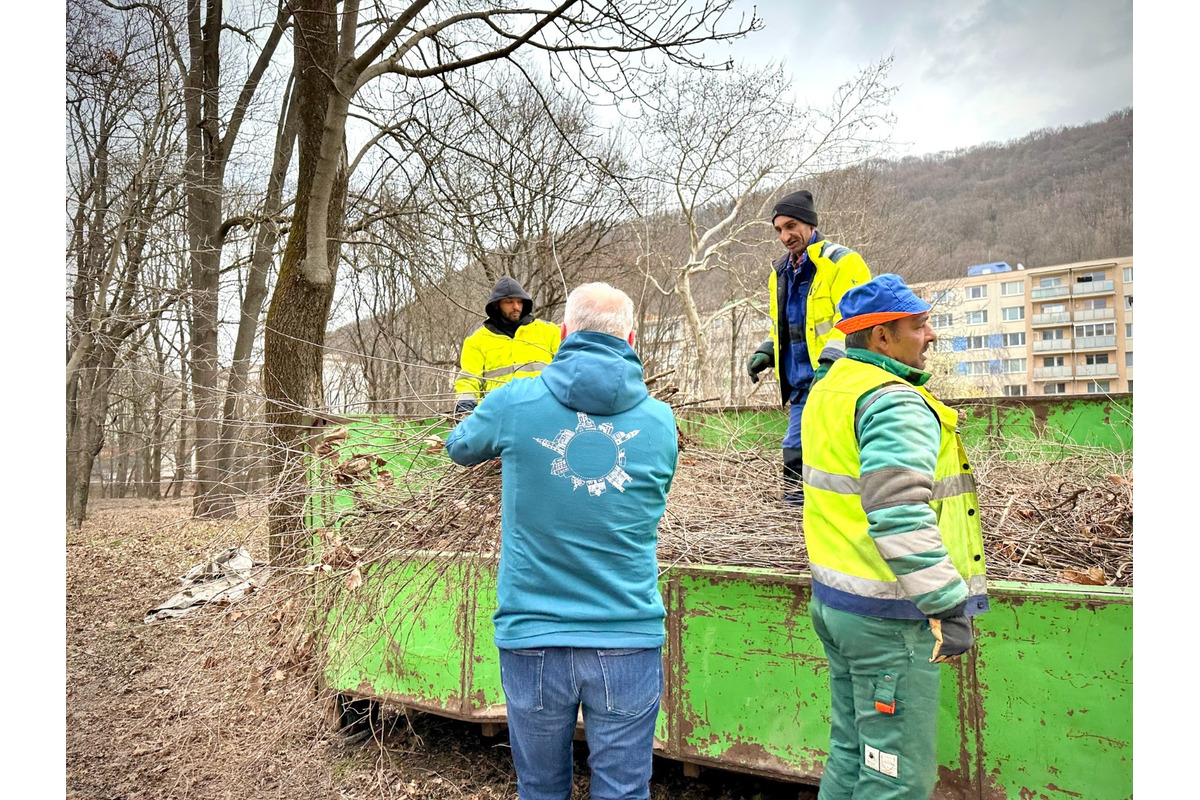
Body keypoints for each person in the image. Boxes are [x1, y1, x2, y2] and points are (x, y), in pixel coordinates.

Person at [445, 282, 678, 800]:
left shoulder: (513, 402)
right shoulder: (662, 424)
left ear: (565, 334)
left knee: (542, 789)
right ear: (632, 338)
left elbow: (459, 448)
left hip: (534, 637)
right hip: (628, 637)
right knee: (622, 791)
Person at [799, 273, 989, 800]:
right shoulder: (893, 401)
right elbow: (899, 514)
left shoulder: (831, 388)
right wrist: (948, 605)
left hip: (838, 603)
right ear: (882, 337)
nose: (929, 336)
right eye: (920, 325)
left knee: (854, 754)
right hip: (889, 617)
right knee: (896, 780)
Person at [746, 190, 871, 504]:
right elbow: (788, 327)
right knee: (795, 450)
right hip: (803, 384)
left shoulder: (842, 262)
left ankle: (839, 516)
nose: (785, 236)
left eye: (791, 226)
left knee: (838, 454)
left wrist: (831, 360)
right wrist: (768, 350)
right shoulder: (781, 273)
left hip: (839, 381)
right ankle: (795, 522)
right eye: (779, 230)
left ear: (810, 224)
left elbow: (854, 319)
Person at [453, 275, 561, 415]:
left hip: (544, 412)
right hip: (498, 416)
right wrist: (465, 408)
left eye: (519, 302)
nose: (516, 307)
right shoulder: (477, 341)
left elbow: (565, 368)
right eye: (509, 302)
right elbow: (468, 379)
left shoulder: (549, 331)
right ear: (496, 305)